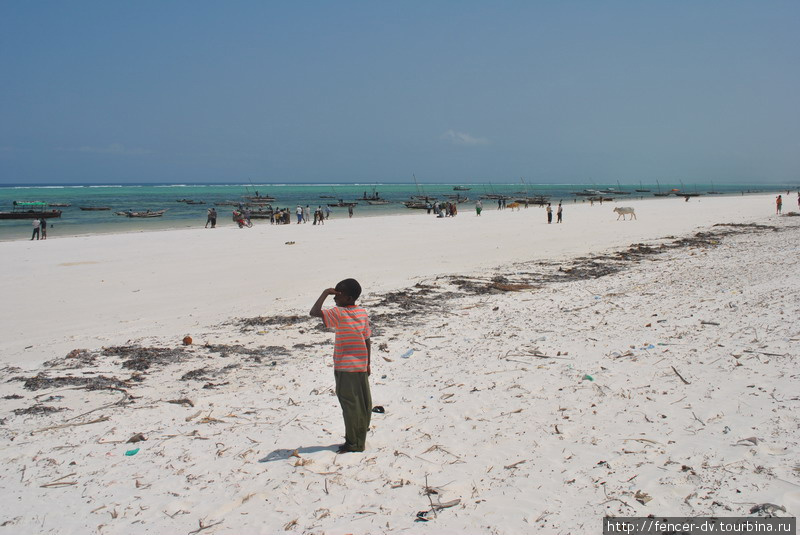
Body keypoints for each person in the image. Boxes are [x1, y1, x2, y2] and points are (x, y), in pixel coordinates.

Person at [309, 279, 372, 453]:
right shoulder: (361, 312)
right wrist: (368, 363)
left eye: (339, 294)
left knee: (350, 404)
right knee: (363, 402)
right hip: (360, 364)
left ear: (349, 297)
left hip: (345, 367)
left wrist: (324, 293)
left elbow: (314, 312)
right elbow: (367, 339)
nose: (335, 297)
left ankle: (354, 443)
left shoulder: (339, 313)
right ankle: (361, 431)